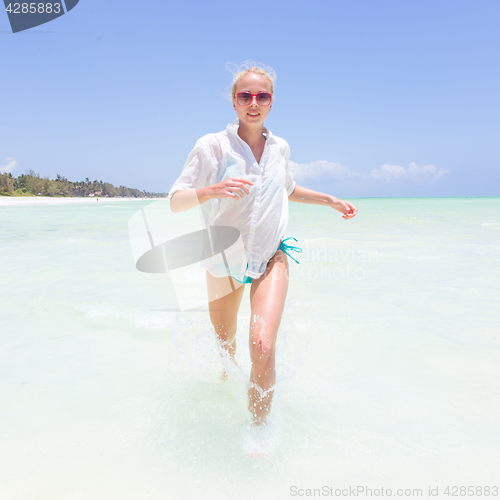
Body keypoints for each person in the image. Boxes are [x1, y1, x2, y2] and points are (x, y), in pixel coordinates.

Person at [168, 65, 357, 426]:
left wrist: (329, 199)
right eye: (245, 96)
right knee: (226, 350)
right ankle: (228, 389)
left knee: (261, 344)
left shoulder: (280, 148)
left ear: (271, 103)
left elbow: (288, 188)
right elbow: (176, 201)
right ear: (234, 102)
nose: (254, 103)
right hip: (222, 260)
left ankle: (259, 430)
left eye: (262, 96)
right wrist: (211, 190)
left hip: (271, 255)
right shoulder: (211, 147)